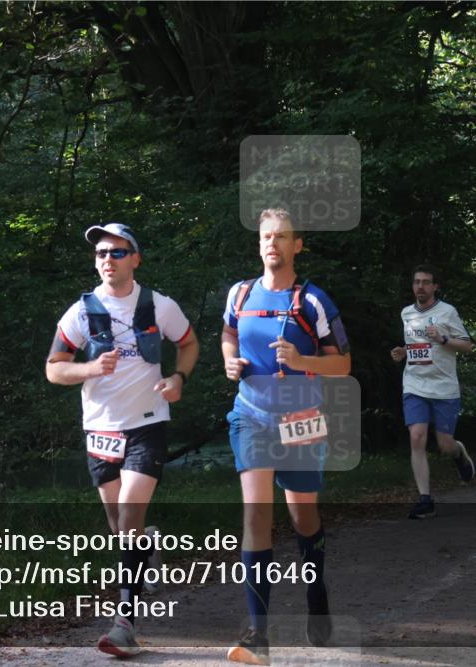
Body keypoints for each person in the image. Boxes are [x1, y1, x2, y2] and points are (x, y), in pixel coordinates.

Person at [45, 223, 198, 657]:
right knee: (120, 526)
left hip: (148, 422)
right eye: (100, 253)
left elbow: (189, 344)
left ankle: (124, 624)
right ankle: (146, 545)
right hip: (100, 427)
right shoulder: (81, 311)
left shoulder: (159, 305)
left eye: (116, 252)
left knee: (129, 511)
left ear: (135, 259)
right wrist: (90, 369)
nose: (107, 259)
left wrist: (178, 378)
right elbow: (54, 368)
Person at [221, 208, 351, 665]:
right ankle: (258, 634)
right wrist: (229, 360)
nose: (272, 244)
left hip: (302, 418)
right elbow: (228, 333)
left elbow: (343, 364)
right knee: (256, 513)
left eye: (281, 237)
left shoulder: (313, 300)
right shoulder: (240, 293)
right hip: (251, 416)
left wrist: (301, 361)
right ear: (258, 244)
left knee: (302, 517)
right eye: (265, 237)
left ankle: (317, 597)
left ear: (297, 245)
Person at [390, 265, 475, 520]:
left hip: (444, 387)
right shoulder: (406, 313)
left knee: (445, 445)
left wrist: (443, 339)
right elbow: (416, 345)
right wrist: (403, 352)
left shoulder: (447, 312)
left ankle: (458, 453)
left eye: (426, 282)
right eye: (417, 282)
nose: (421, 286)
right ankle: (425, 500)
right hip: (414, 384)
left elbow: (468, 346)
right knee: (417, 437)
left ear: (435, 287)